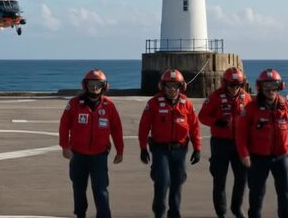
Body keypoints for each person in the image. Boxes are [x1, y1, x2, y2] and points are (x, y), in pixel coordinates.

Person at [59, 69, 124, 218]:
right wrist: (65, 146)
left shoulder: (109, 106)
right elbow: (64, 125)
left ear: (104, 86)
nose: (94, 87)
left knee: (101, 190)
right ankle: (80, 214)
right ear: (85, 85)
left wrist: (120, 151)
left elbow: (117, 129)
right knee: (79, 189)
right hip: (78, 155)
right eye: (91, 84)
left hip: (99, 156)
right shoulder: (74, 104)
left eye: (98, 84)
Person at [138, 69, 201, 218]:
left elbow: (194, 127)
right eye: (168, 86)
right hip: (160, 150)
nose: (172, 90)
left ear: (181, 87)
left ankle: (175, 214)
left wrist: (197, 148)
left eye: (175, 86)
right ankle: (159, 213)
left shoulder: (187, 104)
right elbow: (143, 127)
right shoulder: (153, 103)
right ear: (162, 86)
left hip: (180, 150)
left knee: (177, 183)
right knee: (162, 181)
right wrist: (142, 148)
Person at [236, 69, 288, 218]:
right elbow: (241, 134)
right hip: (258, 159)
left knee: (285, 193)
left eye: (274, 86)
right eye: (266, 87)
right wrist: (244, 155)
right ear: (260, 88)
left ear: (280, 87)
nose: (270, 90)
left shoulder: (286, 107)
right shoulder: (251, 108)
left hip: (280, 158)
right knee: (256, 195)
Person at [198, 67, 251, 218]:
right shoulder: (215, 97)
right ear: (224, 83)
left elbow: (252, 118)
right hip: (220, 143)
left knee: (242, 178)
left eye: (238, 85)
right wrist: (216, 122)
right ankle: (221, 212)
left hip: (240, 144)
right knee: (219, 179)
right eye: (231, 85)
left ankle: (236, 208)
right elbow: (202, 116)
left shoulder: (246, 98)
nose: (235, 88)